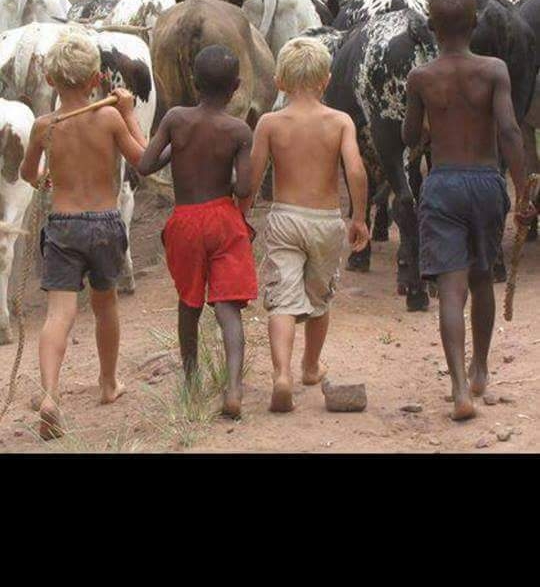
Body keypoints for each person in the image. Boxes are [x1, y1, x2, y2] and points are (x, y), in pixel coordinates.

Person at [402, 0, 536, 422]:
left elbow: (408, 136)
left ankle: (458, 387)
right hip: (485, 181)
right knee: (482, 279)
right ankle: (480, 370)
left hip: (442, 184)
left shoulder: (421, 78)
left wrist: (426, 124)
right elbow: (511, 131)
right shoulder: (495, 70)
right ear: (475, 23)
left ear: (432, 27)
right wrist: (523, 190)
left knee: (451, 291)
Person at [20, 30, 147, 440]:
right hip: (105, 223)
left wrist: (44, 180)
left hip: (62, 225)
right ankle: (108, 383)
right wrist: (129, 112)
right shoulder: (108, 116)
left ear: (50, 81)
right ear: (97, 80)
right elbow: (143, 159)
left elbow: (27, 174)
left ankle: (50, 395)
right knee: (105, 305)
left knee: (59, 314)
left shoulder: (45, 127)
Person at [240, 37, 369, 413]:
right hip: (325, 220)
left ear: (279, 81)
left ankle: (281, 375)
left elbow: (253, 172)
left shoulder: (269, 123)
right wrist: (358, 217)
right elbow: (356, 170)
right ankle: (310, 366)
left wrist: (242, 212)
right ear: (326, 80)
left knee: (282, 298)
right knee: (319, 298)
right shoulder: (340, 121)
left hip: (285, 218)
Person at [137, 45, 257, 420]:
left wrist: (176, 150)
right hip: (223, 220)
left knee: (189, 303)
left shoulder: (175, 119)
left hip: (185, 221)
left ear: (193, 81)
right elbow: (243, 190)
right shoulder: (239, 130)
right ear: (236, 87)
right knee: (228, 306)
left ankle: (191, 383)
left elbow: (144, 164)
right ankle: (233, 388)